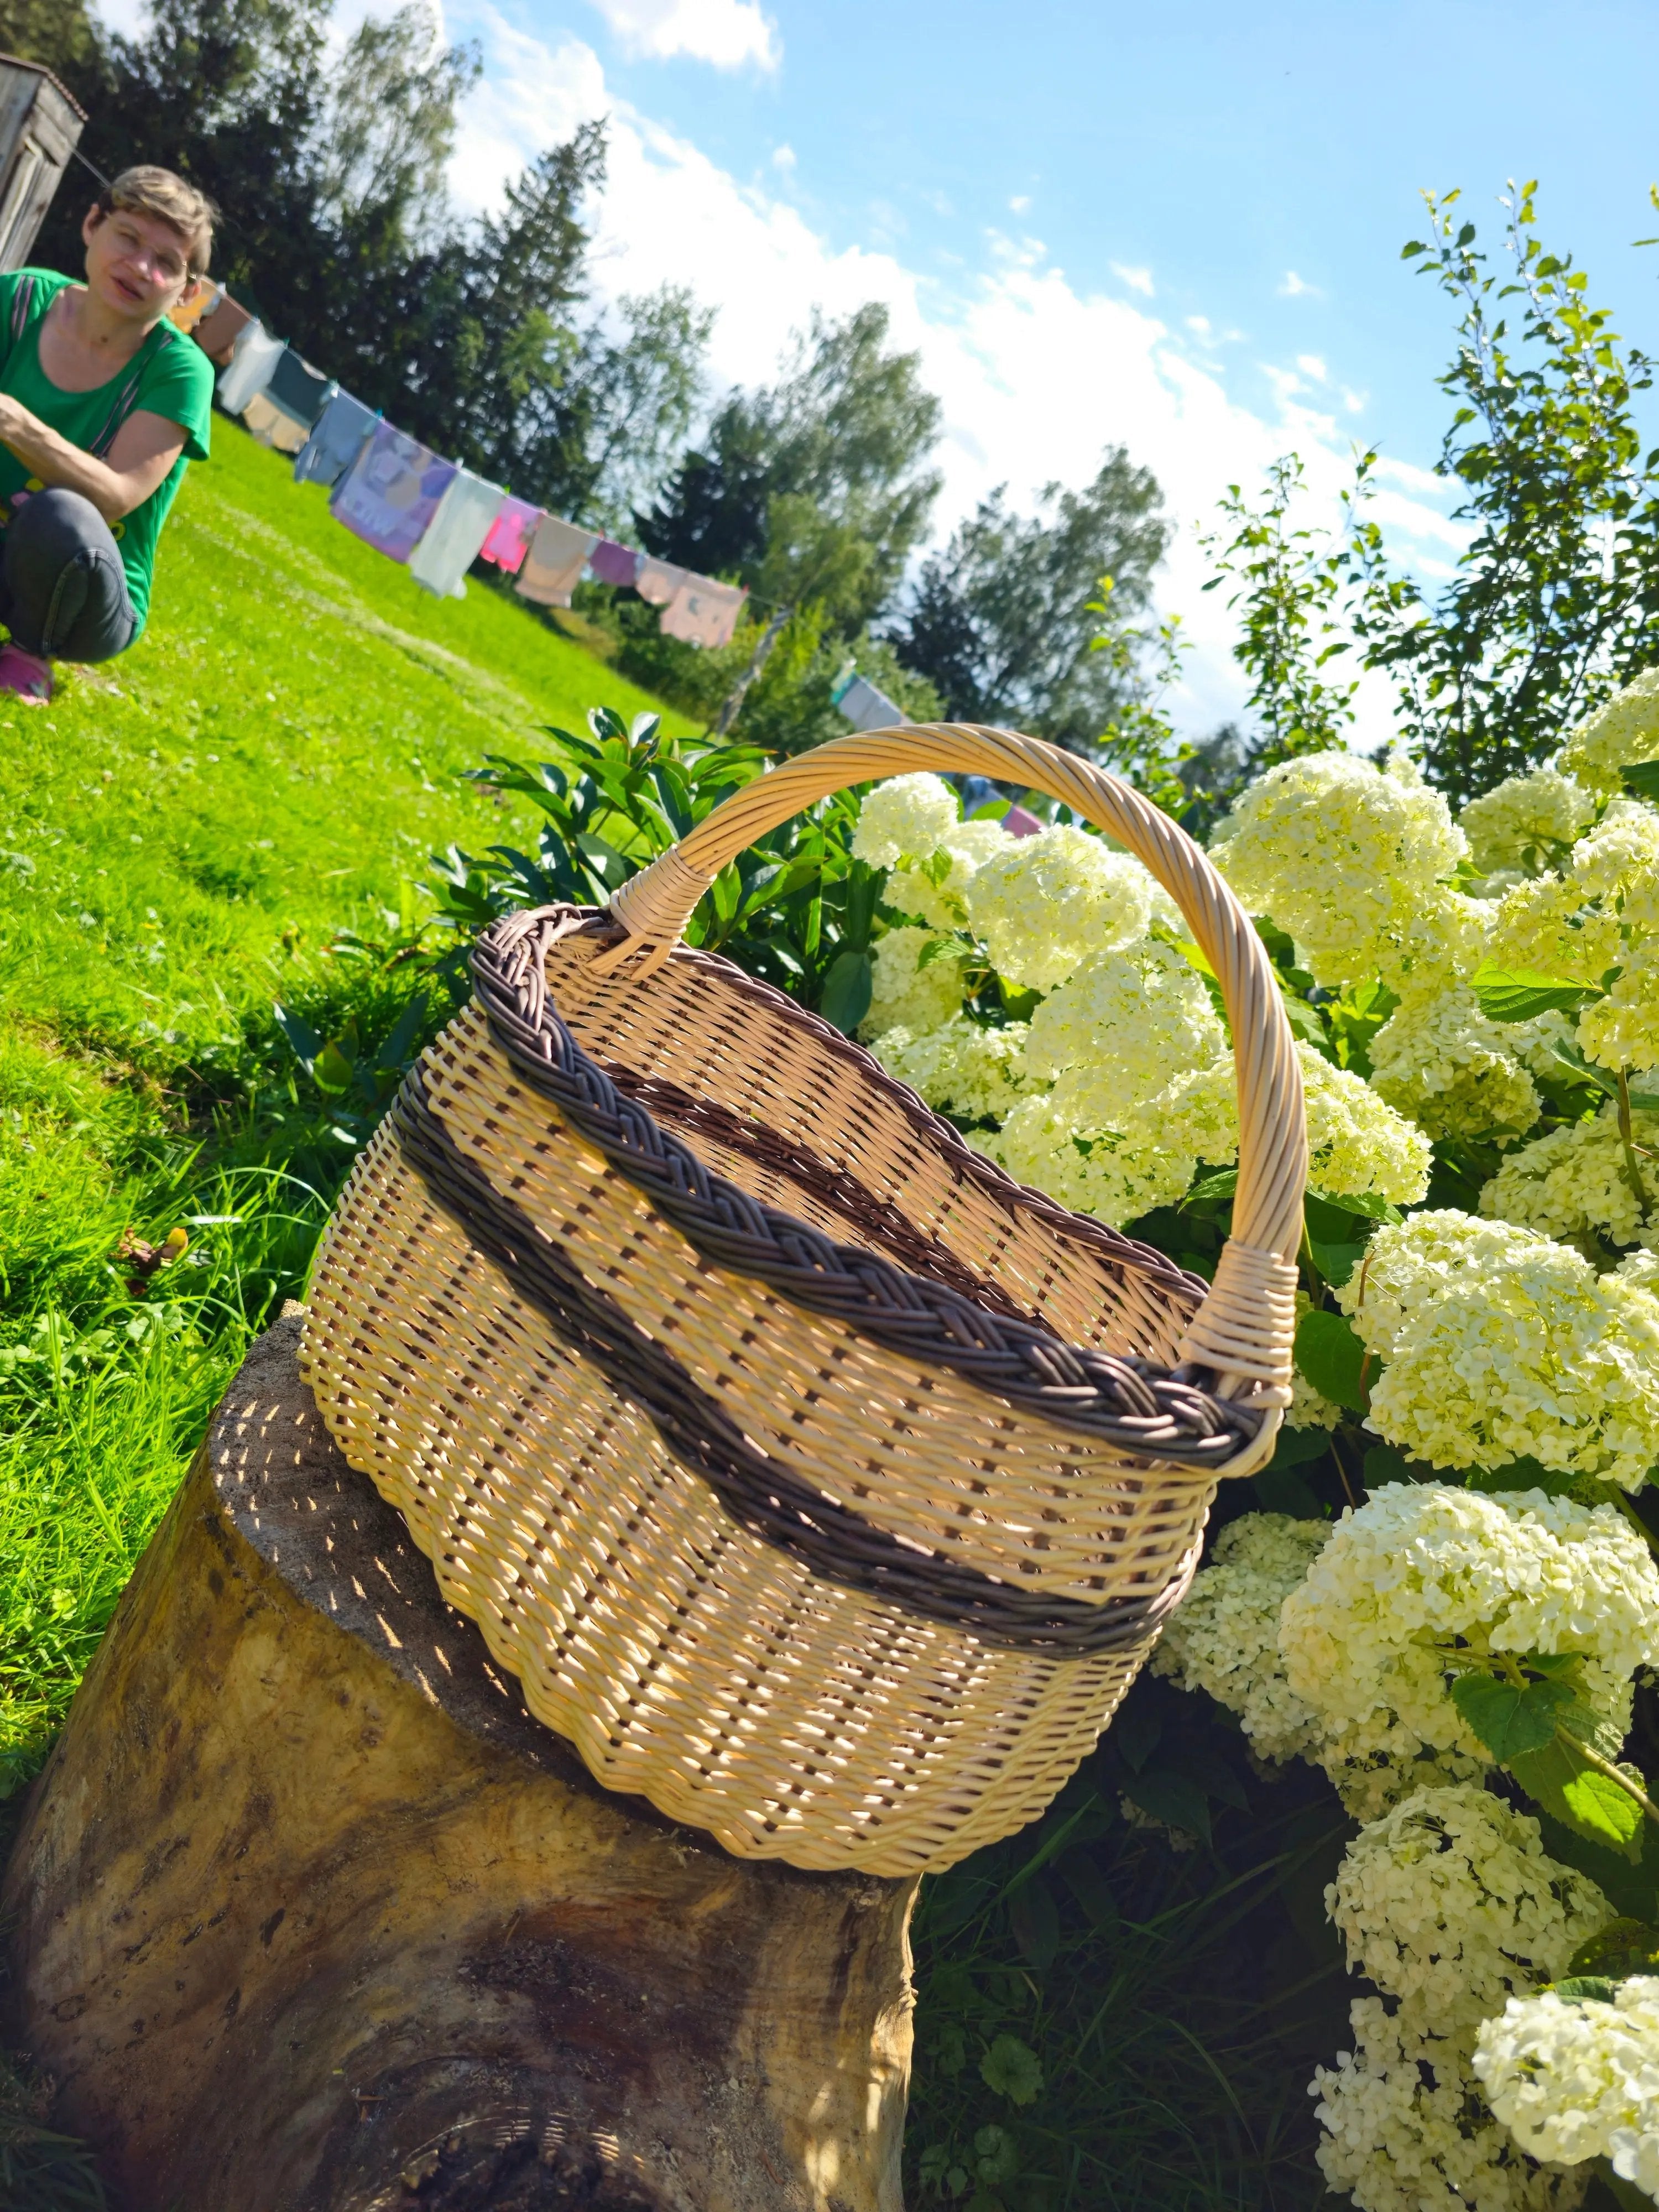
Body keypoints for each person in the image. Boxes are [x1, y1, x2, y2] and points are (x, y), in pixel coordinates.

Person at [0, 165, 216, 704]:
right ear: (93, 224)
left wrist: (15, 422)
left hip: (83, 595)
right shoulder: (19, 298)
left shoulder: (180, 371)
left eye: (166, 263)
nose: (140, 267)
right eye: (129, 237)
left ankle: (30, 653)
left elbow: (117, 496)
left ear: (187, 292)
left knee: (61, 517)